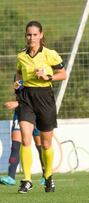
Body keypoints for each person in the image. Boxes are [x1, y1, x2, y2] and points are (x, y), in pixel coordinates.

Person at [15, 20, 67, 193]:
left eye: (35, 34)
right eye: (29, 35)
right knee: (25, 138)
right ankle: (27, 179)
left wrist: (48, 76)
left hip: (45, 98)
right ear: (25, 36)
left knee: (46, 144)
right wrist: (18, 83)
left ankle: (49, 176)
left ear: (41, 35)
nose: (31, 38)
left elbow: (63, 74)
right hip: (26, 98)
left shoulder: (49, 54)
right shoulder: (21, 55)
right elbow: (18, 73)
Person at [0, 99, 45, 186]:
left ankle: (46, 175)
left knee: (40, 146)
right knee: (15, 145)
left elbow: (37, 95)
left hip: (35, 112)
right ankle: (11, 177)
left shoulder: (36, 85)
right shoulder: (17, 85)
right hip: (20, 113)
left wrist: (17, 103)